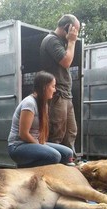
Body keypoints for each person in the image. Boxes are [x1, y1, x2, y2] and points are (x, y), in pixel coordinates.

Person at [7, 71, 73, 168]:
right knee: (54, 156)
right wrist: (40, 145)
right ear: (45, 87)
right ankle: (23, 169)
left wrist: (41, 144)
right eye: (53, 86)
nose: (55, 90)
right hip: (18, 146)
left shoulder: (43, 103)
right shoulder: (29, 104)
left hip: (33, 143)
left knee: (68, 153)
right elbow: (23, 134)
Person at [40, 14, 80, 158]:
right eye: (75, 30)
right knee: (56, 133)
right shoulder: (51, 40)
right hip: (57, 94)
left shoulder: (60, 42)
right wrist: (72, 41)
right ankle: (53, 166)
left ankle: (68, 163)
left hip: (65, 94)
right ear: (67, 27)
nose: (76, 34)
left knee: (71, 131)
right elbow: (66, 61)